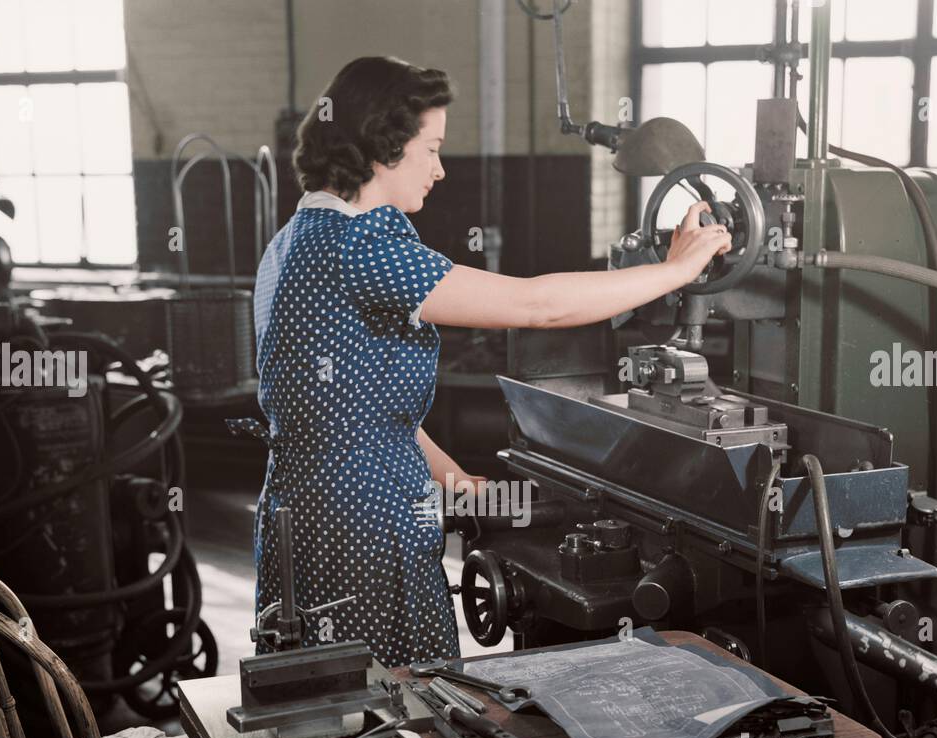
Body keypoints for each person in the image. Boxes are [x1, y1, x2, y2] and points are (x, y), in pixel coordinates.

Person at [252, 55, 730, 667]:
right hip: (365, 532)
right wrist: (674, 270)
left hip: (308, 515)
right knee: (399, 710)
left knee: (340, 716)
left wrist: (468, 491)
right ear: (384, 146)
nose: (441, 169)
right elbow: (536, 304)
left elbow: (366, 417)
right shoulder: (362, 244)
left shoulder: (292, 240)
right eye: (431, 149)